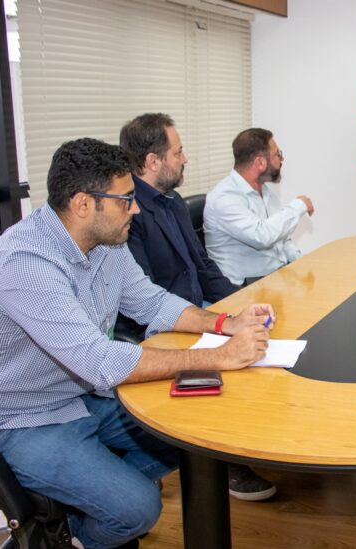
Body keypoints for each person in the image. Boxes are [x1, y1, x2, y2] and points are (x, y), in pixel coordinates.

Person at [0, 138, 272, 549]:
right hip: (28, 418)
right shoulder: (26, 263)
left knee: (190, 441)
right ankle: (73, 538)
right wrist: (218, 357)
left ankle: (93, 500)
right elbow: (98, 360)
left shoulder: (105, 242)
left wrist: (224, 323)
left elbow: (152, 301)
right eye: (126, 199)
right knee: (139, 509)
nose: (137, 208)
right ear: (83, 204)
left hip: (86, 394)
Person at [118, 113, 277, 502]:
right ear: (153, 161)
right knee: (239, 362)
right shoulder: (128, 213)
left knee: (261, 339)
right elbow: (143, 295)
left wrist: (236, 307)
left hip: (196, 310)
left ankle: (247, 439)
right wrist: (214, 327)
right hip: (159, 326)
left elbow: (202, 265)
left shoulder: (171, 203)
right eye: (179, 151)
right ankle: (224, 461)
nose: (185, 158)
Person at [204, 128, 314, 284]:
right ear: (260, 162)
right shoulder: (224, 197)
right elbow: (262, 236)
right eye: (277, 154)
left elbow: (280, 238)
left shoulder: (265, 191)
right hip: (243, 290)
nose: (282, 159)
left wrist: (300, 262)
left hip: (273, 280)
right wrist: (299, 205)